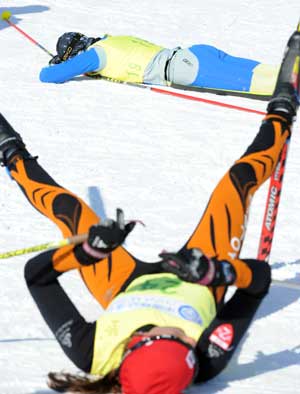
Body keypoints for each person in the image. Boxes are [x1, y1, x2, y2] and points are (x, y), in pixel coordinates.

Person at [1, 29, 299, 394]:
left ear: (133, 347)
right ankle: (282, 109)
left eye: (171, 338)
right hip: (198, 281)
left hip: (123, 285)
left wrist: (89, 250)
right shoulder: (207, 359)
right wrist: (215, 271)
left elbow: (38, 276)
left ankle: (8, 149)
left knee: (69, 210)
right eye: (187, 344)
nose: (183, 335)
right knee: (235, 186)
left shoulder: (92, 352)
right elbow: (258, 281)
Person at [39, 32, 279, 97]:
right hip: (195, 54)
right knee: (273, 73)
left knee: (272, 86)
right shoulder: (111, 40)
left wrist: (55, 65)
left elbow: (50, 77)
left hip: (187, 69)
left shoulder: (95, 54)